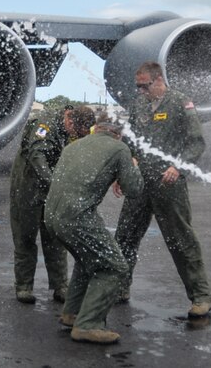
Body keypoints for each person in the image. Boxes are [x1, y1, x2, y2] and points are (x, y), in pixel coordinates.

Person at [113, 61, 211, 317]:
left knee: (181, 239)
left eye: (144, 86)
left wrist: (178, 167)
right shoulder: (139, 105)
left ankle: (200, 297)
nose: (141, 91)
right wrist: (125, 168)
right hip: (140, 183)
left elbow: (196, 142)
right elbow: (130, 140)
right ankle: (120, 288)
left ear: (158, 81)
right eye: (137, 87)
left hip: (169, 185)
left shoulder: (180, 103)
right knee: (125, 236)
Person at [44, 116, 144, 344]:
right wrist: (133, 166)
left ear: (96, 129)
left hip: (51, 216)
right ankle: (88, 325)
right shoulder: (120, 148)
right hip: (76, 218)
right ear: (118, 134)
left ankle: (73, 313)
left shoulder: (74, 145)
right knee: (114, 268)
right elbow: (135, 189)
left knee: (86, 259)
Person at [9, 105, 96, 304]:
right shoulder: (45, 125)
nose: (76, 137)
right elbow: (36, 156)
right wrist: (55, 185)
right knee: (25, 236)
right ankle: (24, 286)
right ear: (70, 122)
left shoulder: (68, 130)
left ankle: (60, 286)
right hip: (28, 187)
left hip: (50, 189)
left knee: (55, 237)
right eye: (76, 132)